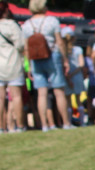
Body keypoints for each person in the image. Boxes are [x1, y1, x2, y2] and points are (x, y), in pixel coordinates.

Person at [21, 0, 69, 130]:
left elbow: (26, 47)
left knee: (41, 93)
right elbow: (59, 41)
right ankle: (66, 123)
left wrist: (29, 66)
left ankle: (45, 125)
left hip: (35, 59)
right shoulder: (52, 21)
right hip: (52, 56)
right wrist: (65, 59)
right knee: (59, 91)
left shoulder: (26, 25)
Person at [0, 0, 25, 133]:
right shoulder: (10, 25)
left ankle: (1, 127)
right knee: (16, 96)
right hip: (12, 63)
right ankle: (20, 126)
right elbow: (21, 45)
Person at [61, 26, 85, 125]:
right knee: (78, 100)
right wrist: (74, 73)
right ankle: (82, 122)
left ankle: (69, 122)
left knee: (68, 102)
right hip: (77, 76)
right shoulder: (78, 49)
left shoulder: (62, 51)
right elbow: (81, 64)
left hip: (66, 77)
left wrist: (68, 76)